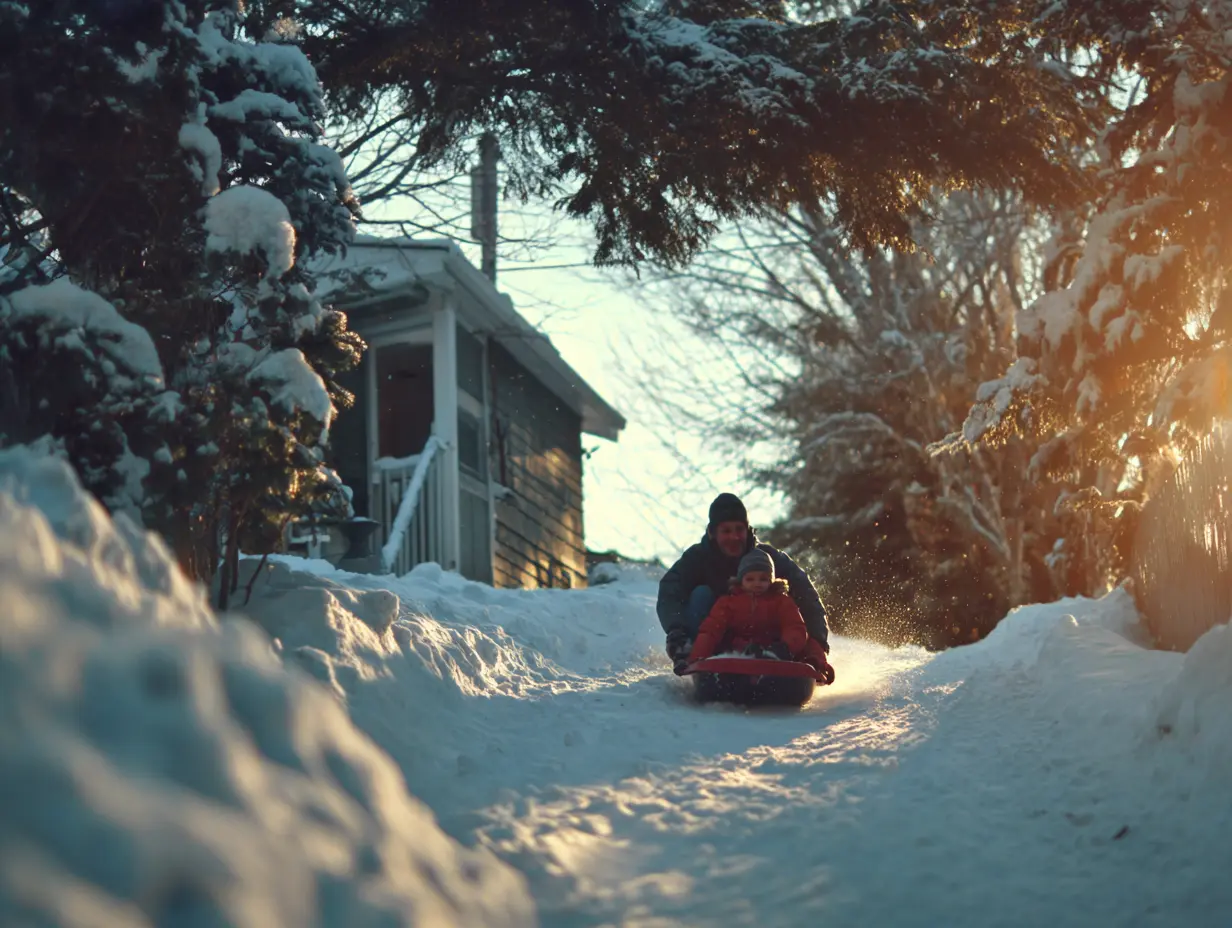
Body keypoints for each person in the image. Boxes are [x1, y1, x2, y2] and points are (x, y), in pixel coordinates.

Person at [657, 492, 829, 669]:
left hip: (772, 646)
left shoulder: (768, 559)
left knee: (787, 601)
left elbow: (807, 597)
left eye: (739, 530)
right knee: (701, 595)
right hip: (713, 637)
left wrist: (816, 647)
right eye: (726, 531)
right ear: (712, 533)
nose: (734, 537)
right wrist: (677, 632)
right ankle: (696, 655)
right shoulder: (697, 558)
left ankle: (784, 657)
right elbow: (670, 592)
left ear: (747, 530)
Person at [687, 549, 822, 668]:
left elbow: (794, 627)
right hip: (737, 653)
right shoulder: (728, 602)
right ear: (741, 581)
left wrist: (784, 648)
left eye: (763, 579)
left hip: (775, 653)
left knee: (808, 638)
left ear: (771, 581)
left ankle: (816, 664)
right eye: (750, 579)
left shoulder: (782, 601)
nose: (757, 584)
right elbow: (711, 629)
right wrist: (697, 658)